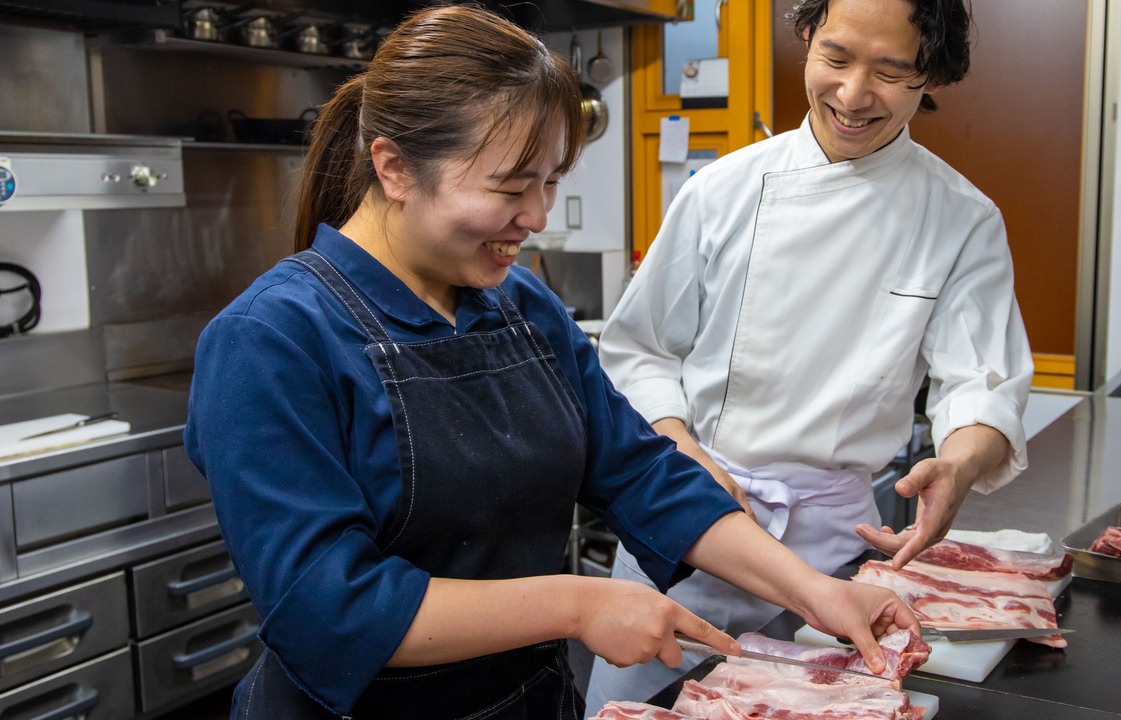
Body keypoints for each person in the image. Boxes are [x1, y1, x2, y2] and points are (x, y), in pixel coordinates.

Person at [183, 6, 919, 719]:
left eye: (551, 181)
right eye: (511, 187)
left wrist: (816, 592)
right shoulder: (271, 339)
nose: (537, 216)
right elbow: (325, 607)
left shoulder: (521, 305)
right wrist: (577, 604)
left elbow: (641, 472)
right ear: (395, 168)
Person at [584, 0, 1034, 711]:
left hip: (833, 556)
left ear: (931, 74)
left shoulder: (960, 217)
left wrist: (958, 464)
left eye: (891, 72)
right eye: (836, 58)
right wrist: (680, 447)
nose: (853, 95)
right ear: (806, 37)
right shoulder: (720, 191)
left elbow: (982, 383)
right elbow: (638, 351)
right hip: (686, 523)